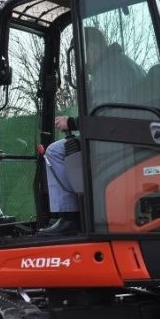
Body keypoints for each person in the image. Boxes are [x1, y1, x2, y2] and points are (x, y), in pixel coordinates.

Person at [39, 26, 145, 234]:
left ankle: (70, 217)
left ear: (92, 49)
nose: (84, 63)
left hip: (116, 141)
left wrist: (72, 123)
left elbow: (103, 115)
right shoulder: (125, 65)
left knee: (54, 152)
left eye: (82, 55)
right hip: (127, 135)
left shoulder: (110, 70)